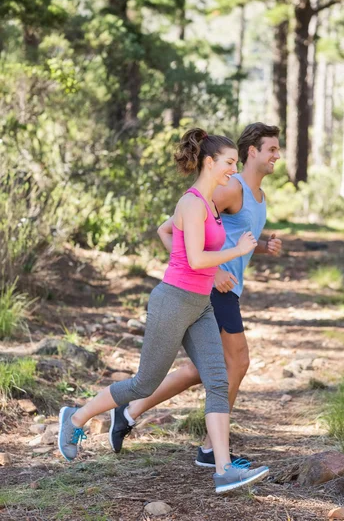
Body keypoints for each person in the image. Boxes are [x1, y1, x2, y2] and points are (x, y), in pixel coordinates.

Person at [58, 127, 269, 494]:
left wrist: (251, 248)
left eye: (236, 163)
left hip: (200, 304)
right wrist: (235, 253)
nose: (233, 171)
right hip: (173, 301)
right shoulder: (190, 203)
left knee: (218, 380)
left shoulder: (211, 205)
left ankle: (223, 469)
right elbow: (199, 257)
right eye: (229, 163)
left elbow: (190, 245)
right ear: (209, 162)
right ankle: (76, 417)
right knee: (145, 382)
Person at [110, 123, 282, 468]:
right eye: (272, 150)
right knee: (238, 362)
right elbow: (175, 227)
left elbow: (230, 237)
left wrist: (263, 247)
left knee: (202, 369)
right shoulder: (230, 189)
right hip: (216, 289)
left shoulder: (257, 196)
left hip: (228, 289)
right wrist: (211, 270)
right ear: (252, 152)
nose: (278, 156)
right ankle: (210, 448)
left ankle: (130, 410)